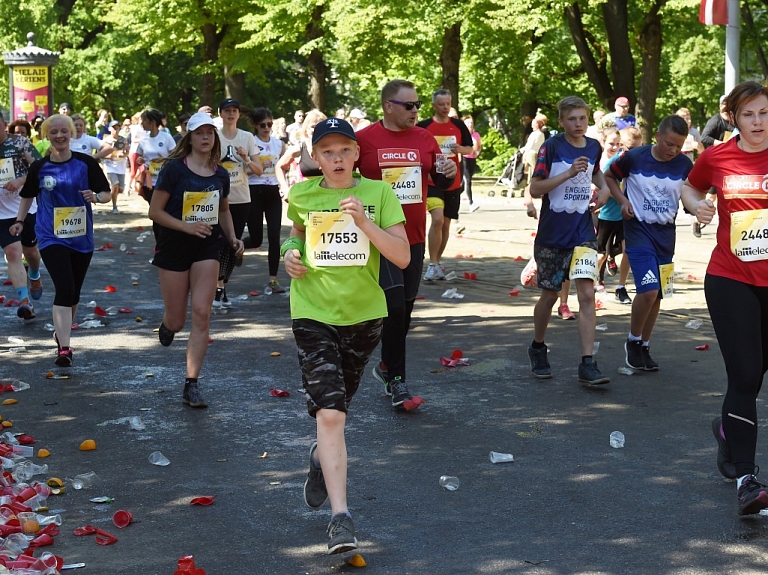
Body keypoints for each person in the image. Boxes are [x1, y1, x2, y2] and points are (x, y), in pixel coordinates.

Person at [282, 117, 409, 554]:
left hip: (364, 316)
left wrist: (365, 224)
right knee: (331, 414)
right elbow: (295, 236)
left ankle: (320, 459)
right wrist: (290, 255)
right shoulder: (301, 194)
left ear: (356, 154)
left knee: (338, 408)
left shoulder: (378, 193)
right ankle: (342, 519)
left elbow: (402, 256)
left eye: (344, 150)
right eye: (327, 152)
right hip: (312, 310)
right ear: (315, 158)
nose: (337, 158)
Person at [681, 81, 768, 515]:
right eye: (749, 114)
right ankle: (747, 479)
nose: (758, 122)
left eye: (764, 113)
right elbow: (689, 187)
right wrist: (695, 206)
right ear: (733, 117)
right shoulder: (716, 156)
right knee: (744, 373)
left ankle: (726, 433)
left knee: (756, 377)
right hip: (730, 277)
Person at [356, 79, 457, 408]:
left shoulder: (424, 138)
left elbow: (440, 179)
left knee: (406, 308)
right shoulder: (364, 140)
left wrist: (448, 170)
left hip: (413, 236)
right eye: (409, 106)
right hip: (380, 238)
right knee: (395, 306)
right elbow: (338, 174)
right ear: (388, 106)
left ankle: (386, 366)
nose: (416, 111)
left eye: (418, 106)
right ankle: (398, 381)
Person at [148, 112, 244, 408]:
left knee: (202, 313)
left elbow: (224, 211)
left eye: (210, 133)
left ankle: (192, 383)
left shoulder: (220, 174)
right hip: (174, 246)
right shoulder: (174, 170)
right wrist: (186, 226)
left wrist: (232, 238)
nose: (205, 138)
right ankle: (168, 324)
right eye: (200, 133)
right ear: (189, 137)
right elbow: (155, 211)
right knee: (178, 320)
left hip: (207, 247)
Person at [11, 114, 111, 366]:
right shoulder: (40, 167)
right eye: (53, 132)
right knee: (64, 287)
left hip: (81, 237)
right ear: (46, 135)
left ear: (71, 134)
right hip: (50, 235)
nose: (59, 136)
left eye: (63, 131)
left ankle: (61, 330)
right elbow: (27, 196)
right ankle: (64, 348)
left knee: (73, 292)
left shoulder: (86, 163)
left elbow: (106, 193)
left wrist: (96, 197)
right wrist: (20, 221)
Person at [527, 95, 610, 385]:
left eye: (583, 118)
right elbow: (535, 188)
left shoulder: (593, 146)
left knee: (587, 295)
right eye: (572, 119)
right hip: (552, 234)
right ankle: (537, 347)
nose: (578, 124)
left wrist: (605, 192)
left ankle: (587, 363)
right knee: (550, 295)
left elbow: (597, 173)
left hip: (583, 233)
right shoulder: (551, 147)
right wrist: (568, 173)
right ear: (561, 121)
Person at [604, 115, 692, 372]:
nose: (673, 150)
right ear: (656, 136)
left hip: (666, 235)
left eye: (678, 145)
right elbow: (609, 177)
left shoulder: (685, 164)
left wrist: (697, 207)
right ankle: (632, 341)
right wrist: (622, 200)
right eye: (669, 144)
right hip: (638, 230)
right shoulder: (634, 157)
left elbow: (692, 191)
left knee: (659, 295)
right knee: (649, 289)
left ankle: (644, 345)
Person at [417, 88, 473, 281]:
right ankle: (431, 263)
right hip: (432, 181)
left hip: (453, 182)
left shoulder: (458, 125)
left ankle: (437, 262)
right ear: (434, 105)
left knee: (446, 224)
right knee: (438, 219)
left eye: (448, 104)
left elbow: (470, 148)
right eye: (441, 104)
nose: (445, 107)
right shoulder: (424, 127)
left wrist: (460, 148)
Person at [214, 98, 262, 308]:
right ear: (220, 113)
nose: (231, 114)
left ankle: (222, 286)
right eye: (227, 111)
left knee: (233, 244)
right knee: (218, 242)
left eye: (234, 111)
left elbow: (259, 170)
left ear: (239, 114)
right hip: (216, 197)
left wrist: (246, 159)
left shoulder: (247, 137)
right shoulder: (214, 136)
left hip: (241, 197)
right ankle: (217, 286)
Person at [0, 112, 43, 320]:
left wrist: (20, 180)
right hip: (1, 212)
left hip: (24, 206)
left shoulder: (20, 143)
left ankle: (34, 274)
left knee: (31, 252)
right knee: (13, 252)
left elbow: (40, 167)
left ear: (4, 125)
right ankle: (24, 301)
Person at [244, 107, 286, 293]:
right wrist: (258, 166)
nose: (267, 128)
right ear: (255, 125)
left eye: (270, 124)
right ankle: (236, 247)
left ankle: (273, 279)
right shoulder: (249, 143)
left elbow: (284, 167)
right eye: (263, 125)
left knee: (275, 237)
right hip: (254, 191)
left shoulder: (279, 144)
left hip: (272, 193)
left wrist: (285, 185)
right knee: (256, 239)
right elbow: (241, 170)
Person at [599, 126, 643, 304]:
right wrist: (620, 198)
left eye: (637, 148)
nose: (634, 153)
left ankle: (621, 287)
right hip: (608, 214)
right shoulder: (614, 163)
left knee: (629, 250)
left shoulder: (639, 162)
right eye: (629, 148)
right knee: (600, 253)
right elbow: (605, 185)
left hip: (627, 216)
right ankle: (592, 281)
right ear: (621, 146)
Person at [275, 110, 326, 197]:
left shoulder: (334, 149)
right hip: (305, 198)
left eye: (320, 127)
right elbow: (279, 167)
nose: (316, 130)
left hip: (329, 196)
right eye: (313, 127)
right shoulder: (299, 148)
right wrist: (285, 189)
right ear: (306, 129)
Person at [136, 108, 176, 206]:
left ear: (152, 122)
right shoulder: (143, 140)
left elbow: (176, 157)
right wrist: (139, 160)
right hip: (149, 182)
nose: (142, 123)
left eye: (144, 120)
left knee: (163, 208)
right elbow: (139, 158)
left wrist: (164, 159)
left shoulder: (166, 137)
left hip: (164, 179)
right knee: (153, 208)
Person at [102, 120, 128, 213]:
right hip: (110, 166)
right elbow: (101, 154)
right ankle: (114, 206)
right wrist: (111, 156)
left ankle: (113, 194)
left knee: (120, 189)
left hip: (120, 166)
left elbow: (127, 150)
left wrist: (123, 155)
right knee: (115, 185)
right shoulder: (106, 140)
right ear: (110, 129)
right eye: (114, 128)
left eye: (117, 128)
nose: (116, 130)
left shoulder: (123, 139)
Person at [462, 115, 482, 213]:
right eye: (468, 123)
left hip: (472, 159)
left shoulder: (476, 135)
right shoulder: (462, 134)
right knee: (468, 180)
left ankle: (452, 197)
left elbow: (479, 146)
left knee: (463, 184)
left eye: (471, 123)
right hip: (464, 158)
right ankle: (471, 203)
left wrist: (477, 153)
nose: (470, 125)